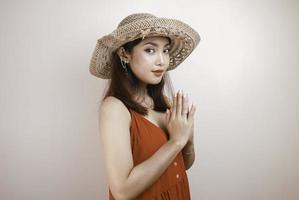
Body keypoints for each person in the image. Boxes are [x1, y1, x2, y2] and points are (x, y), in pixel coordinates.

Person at [89, 13, 200, 200]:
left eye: (165, 50)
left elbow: (183, 164)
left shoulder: (165, 102)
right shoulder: (115, 108)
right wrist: (176, 142)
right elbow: (122, 191)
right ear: (124, 53)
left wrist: (187, 137)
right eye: (150, 50)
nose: (162, 61)